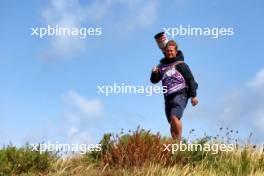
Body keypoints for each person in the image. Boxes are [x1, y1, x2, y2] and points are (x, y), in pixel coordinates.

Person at [150, 40, 198, 142]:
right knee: (172, 122)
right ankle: (175, 144)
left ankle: (179, 143)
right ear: (165, 52)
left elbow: (190, 80)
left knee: (174, 117)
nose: (170, 52)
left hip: (181, 94)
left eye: (171, 51)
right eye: (168, 51)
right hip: (168, 97)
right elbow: (154, 80)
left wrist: (194, 96)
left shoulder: (181, 65)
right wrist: (154, 73)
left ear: (176, 52)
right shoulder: (161, 66)